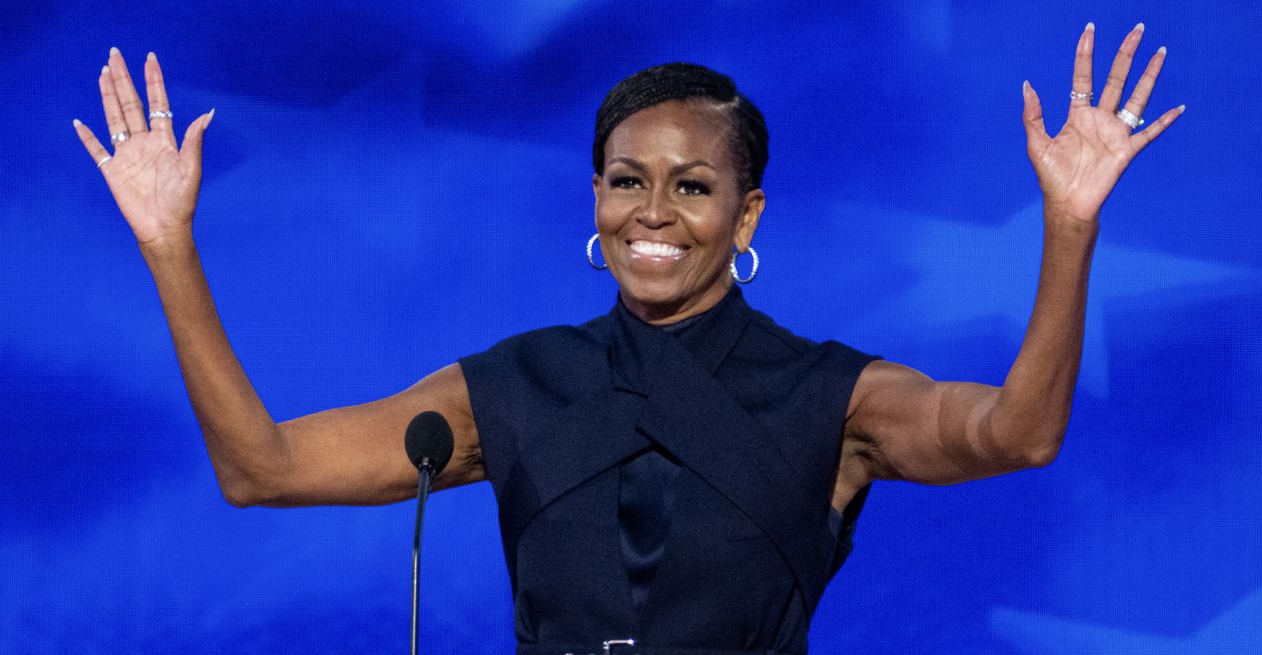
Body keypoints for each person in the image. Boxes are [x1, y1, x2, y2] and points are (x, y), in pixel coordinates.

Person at [74, 23, 1181, 654]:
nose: (651, 212)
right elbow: (257, 470)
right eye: (624, 181)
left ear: (745, 214)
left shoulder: (832, 397)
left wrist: (1068, 226)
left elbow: (1016, 433)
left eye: (691, 186)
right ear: (593, 198)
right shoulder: (514, 385)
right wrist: (170, 244)